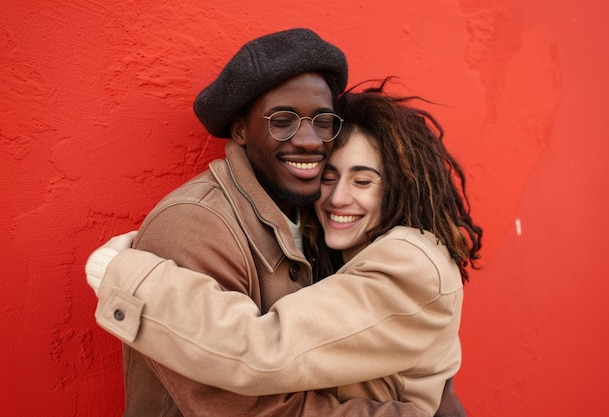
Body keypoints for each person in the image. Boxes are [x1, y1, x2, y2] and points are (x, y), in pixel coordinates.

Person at [86, 28, 466, 417]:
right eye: (282, 120)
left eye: (322, 120)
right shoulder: (196, 223)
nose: (308, 140)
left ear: (398, 185)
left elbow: (268, 350)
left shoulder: (390, 254)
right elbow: (246, 399)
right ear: (240, 130)